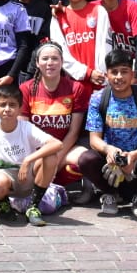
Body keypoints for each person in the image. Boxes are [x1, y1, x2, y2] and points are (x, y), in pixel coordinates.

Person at [77, 49, 137, 216]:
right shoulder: (98, 98)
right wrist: (109, 150)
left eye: (124, 72)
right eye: (114, 72)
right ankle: (108, 193)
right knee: (86, 159)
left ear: (132, 74)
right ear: (106, 74)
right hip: (109, 160)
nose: (119, 77)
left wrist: (134, 156)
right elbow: (94, 139)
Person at [0, 83, 63, 226]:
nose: (7, 109)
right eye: (3, 105)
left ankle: (33, 207)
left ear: (19, 108)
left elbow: (57, 144)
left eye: (12, 105)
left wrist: (28, 159)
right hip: (6, 177)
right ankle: (4, 209)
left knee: (50, 156)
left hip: (29, 174)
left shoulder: (26, 127)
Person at [20, 42, 92, 196]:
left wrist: (56, 159)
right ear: (37, 63)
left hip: (64, 148)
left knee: (87, 159)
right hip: (36, 150)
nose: (50, 63)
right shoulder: (25, 88)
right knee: (42, 166)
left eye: (54, 58)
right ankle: (43, 187)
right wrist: (44, 159)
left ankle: (77, 189)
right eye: (45, 59)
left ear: (62, 62)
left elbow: (73, 132)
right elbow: (24, 131)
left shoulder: (76, 88)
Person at [52, 0, 111, 86]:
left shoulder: (99, 11)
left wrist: (99, 73)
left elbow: (106, 45)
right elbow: (60, 52)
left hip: (100, 79)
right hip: (73, 83)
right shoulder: (58, 16)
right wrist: (86, 73)